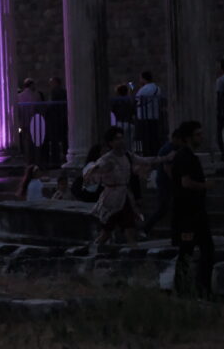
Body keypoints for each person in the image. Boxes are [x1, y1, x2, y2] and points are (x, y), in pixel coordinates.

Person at [84, 126, 175, 246]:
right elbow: (94, 170)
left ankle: (134, 252)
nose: (121, 141)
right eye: (117, 139)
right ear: (110, 142)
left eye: (121, 138)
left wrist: (165, 158)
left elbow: (144, 160)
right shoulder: (107, 159)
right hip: (111, 199)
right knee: (106, 233)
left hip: (124, 196)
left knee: (129, 228)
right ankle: (93, 252)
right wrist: (94, 171)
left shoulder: (127, 155)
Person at [171, 121, 214, 298]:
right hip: (187, 215)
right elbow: (186, 182)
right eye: (198, 134)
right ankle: (185, 288)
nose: (201, 137)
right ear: (188, 138)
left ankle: (200, 287)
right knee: (187, 250)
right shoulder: (184, 157)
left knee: (205, 250)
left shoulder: (190, 156)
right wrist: (205, 185)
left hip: (196, 213)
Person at [143, 129, 182, 237]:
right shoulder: (168, 149)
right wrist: (176, 182)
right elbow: (167, 168)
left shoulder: (172, 148)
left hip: (166, 182)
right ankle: (146, 228)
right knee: (163, 208)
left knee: (167, 208)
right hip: (165, 183)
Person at [135, 71, 161, 156]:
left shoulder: (144, 89)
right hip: (154, 116)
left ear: (143, 79)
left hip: (144, 117)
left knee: (144, 139)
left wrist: (131, 86)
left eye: (140, 78)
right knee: (153, 138)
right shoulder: (157, 88)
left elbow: (136, 98)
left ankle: (145, 154)